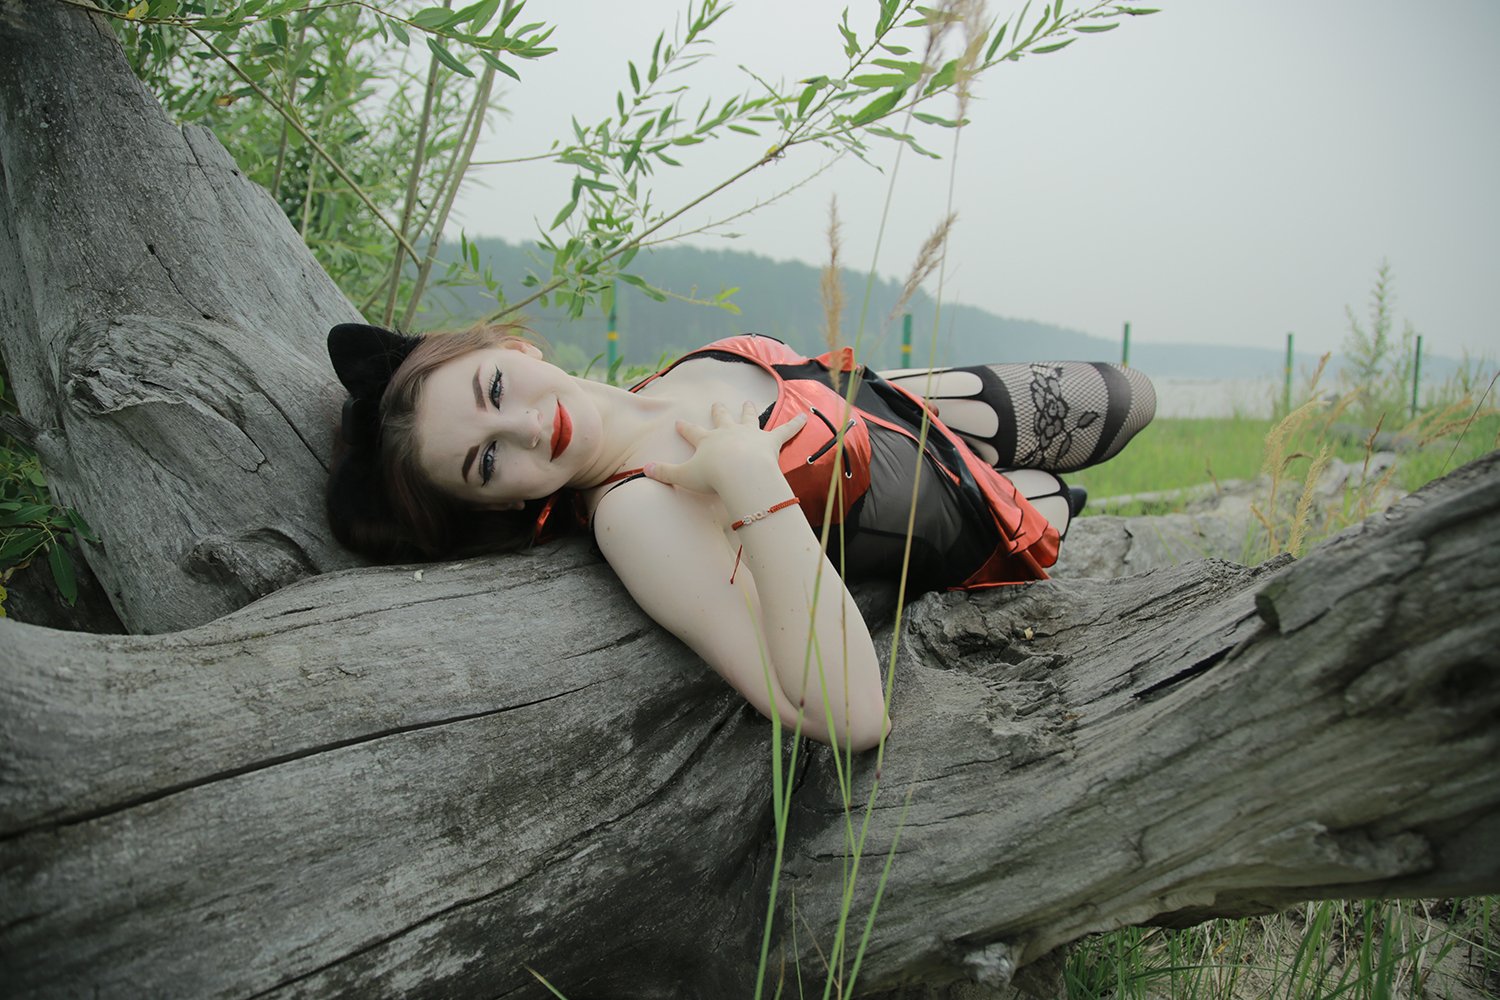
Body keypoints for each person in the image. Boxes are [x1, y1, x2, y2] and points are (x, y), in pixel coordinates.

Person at [327, 322, 1154, 751]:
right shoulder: (635, 511)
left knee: (1132, 396)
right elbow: (851, 716)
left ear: (513, 347)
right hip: (975, 521)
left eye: (496, 388)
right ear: (501, 505)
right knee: (1077, 484)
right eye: (486, 462)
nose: (526, 427)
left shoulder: (650, 386)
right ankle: (1059, 505)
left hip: (915, 408)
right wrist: (753, 482)